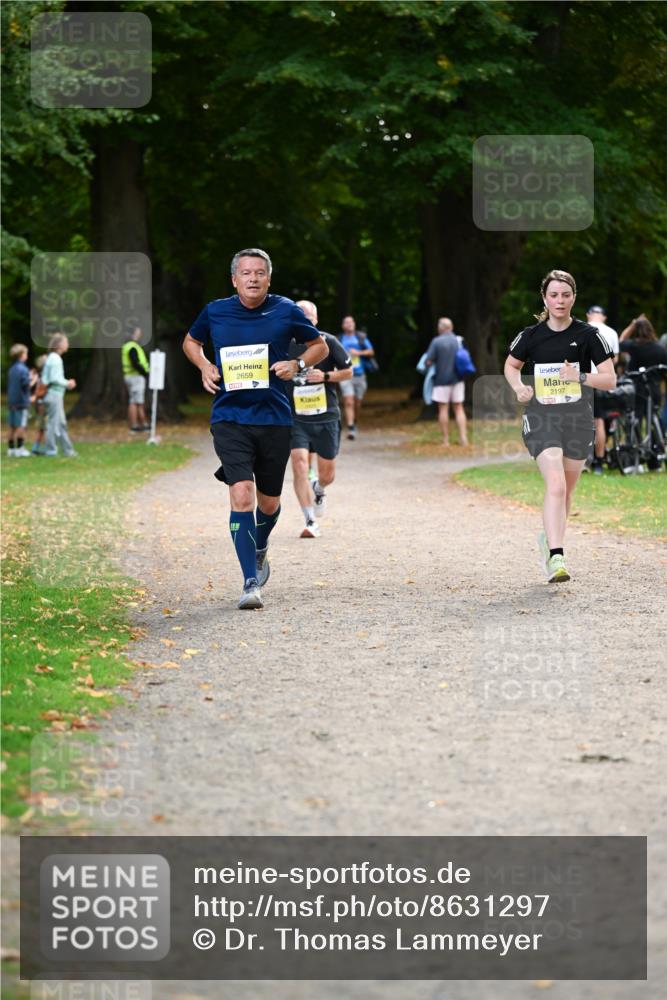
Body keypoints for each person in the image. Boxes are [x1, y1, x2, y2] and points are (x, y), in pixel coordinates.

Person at [182, 248, 328, 610]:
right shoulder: (216, 310)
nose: (253, 278)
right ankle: (250, 581)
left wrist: (295, 364)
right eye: (245, 273)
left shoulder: (286, 310)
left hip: (274, 418)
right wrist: (203, 366)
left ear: (268, 278)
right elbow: (191, 341)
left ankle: (260, 545)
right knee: (241, 494)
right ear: (234, 279)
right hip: (229, 418)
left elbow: (319, 346)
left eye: (259, 272)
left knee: (269, 503)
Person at [504, 269, 616, 583]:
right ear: (545, 298)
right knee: (555, 484)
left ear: (573, 298)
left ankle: (549, 540)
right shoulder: (531, 335)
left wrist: (579, 377)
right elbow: (511, 366)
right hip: (542, 417)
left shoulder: (588, 336)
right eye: (554, 295)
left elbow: (609, 379)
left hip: (578, 419)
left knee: (565, 493)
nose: (560, 300)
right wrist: (518, 388)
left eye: (565, 295)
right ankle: (557, 557)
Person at [287, 300, 353, 538]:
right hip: (296, 418)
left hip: (326, 416)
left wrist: (325, 376)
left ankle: (319, 488)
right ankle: (309, 520)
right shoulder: (284, 343)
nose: (305, 320)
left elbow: (349, 372)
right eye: (300, 315)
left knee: (327, 475)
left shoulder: (328, 341)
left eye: (309, 316)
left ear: (316, 319)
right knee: (300, 464)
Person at [425, 317, 468, 446]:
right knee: (459, 408)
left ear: (441, 328)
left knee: (443, 409)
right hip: (458, 380)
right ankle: (463, 439)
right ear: (451, 327)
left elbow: (428, 361)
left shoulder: (436, 342)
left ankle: (445, 440)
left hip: (441, 380)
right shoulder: (459, 340)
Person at [586, 306, 619, 475]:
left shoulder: (580, 330)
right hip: (602, 380)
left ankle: (582, 459)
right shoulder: (612, 333)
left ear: (588, 315)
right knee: (599, 422)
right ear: (604, 317)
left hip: (582, 380)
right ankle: (599, 461)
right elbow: (615, 360)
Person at [618, 315, 667, 428]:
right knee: (654, 415)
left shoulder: (633, 346)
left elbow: (621, 341)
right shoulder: (659, 348)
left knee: (637, 416)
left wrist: (632, 325)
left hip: (636, 387)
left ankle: (638, 442)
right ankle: (657, 442)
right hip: (654, 387)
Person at [41, 333, 78, 458]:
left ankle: (68, 450)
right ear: (59, 345)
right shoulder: (56, 359)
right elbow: (54, 378)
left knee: (61, 423)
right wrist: (68, 383)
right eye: (65, 342)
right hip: (54, 395)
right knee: (53, 423)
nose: (67, 344)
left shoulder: (52, 357)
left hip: (55, 395)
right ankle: (51, 450)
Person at [339, 315, 374, 440]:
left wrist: (358, 353)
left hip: (360, 375)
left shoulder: (360, 337)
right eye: (346, 322)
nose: (349, 324)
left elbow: (371, 351)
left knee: (357, 403)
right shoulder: (340, 339)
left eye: (351, 322)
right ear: (343, 326)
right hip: (345, 374)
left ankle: (354, 421)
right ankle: (351, 427)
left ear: (354, 324)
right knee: (349, 402)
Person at [121, 325, 150, 432]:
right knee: (137, 402)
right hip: (136, 377)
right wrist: (145, 373)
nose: (140, 334)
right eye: (138, 332)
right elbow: (135, 363)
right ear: (133, 333)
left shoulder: (127, 346)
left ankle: (136, 425)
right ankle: (141, 425)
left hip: (130, 376)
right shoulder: (132, 347)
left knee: (134, 401)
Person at [7, 343, 32, 457]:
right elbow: (25, 385)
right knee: (21, 425)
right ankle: (20, 448)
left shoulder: (12, 369)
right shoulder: (23, 369)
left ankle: (11, 449)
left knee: (12, 426)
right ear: (22, 355)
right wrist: (33, 379)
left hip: (11, 402)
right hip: (21, 402)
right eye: (26, 353)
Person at [30, 354, 48, 455]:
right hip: (42, 405)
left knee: (42, 428)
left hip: (39, 404)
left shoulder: (41, 375)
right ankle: (44, 448)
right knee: (45, 428)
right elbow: (40, 392)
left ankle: (36, 448)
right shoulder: (44, 377)